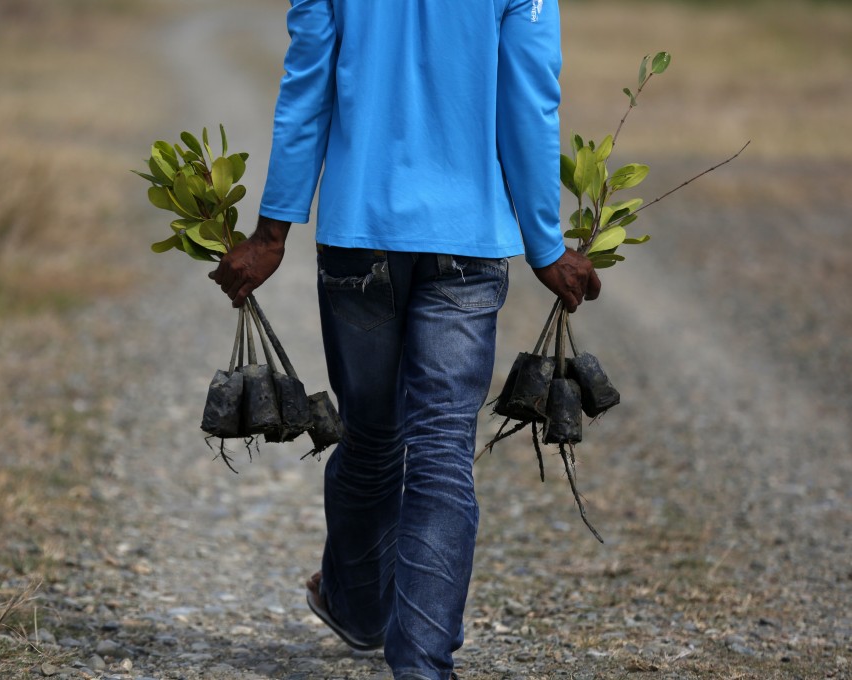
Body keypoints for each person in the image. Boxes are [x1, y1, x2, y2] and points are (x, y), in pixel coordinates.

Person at [209, 1, 600, 678]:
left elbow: (307, 86)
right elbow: (530, 101)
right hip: (468, 243)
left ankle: (359, 609)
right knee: (443, 450)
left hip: (361, 237)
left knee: (372, 436)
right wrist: (545, 244)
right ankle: (420, 664)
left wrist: (271, 235)